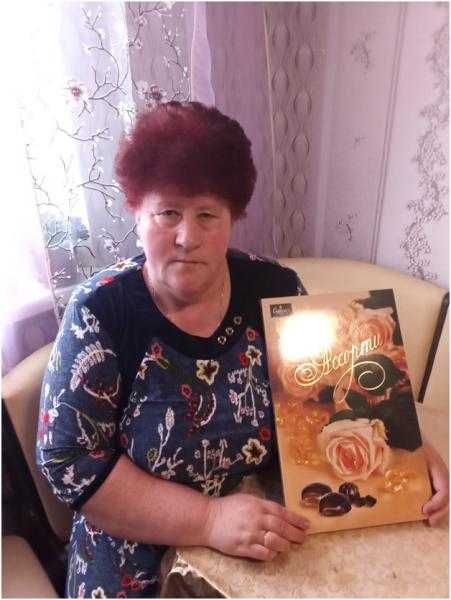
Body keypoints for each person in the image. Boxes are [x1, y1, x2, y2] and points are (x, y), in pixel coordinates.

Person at [36, 101, 449, 599]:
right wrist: (207, 520)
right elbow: (70, 464)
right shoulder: (101, 312)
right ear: (137, 211)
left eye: (207, 214)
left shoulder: (273, 289)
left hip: (263, 532)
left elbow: (329, 389)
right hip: (133, 554)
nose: (187, 237)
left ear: (233, 217)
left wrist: (407, 450)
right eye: (168, 212)